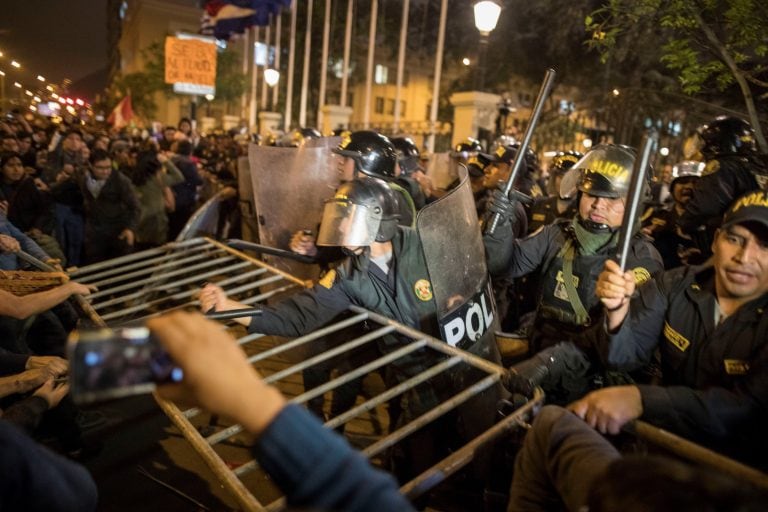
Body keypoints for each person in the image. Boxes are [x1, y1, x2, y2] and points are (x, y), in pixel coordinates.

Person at [201, 178, 447, 477]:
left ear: (376, 217)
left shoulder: (425, 243)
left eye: (348, 219)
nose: (341, 228)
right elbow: (297, 317)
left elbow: (482, 264)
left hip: (462, 366)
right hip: (417, 382)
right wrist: (230, 308)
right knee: (415, 468)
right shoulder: (346, 276)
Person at [149, 310, 413, 512]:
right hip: (327, 348)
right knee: (319, 378)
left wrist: (250, 399)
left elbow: (360, 499)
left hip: (357, 354)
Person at [589, 189, 768, 468]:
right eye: (735, 239)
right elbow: (622, 357)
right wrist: (616, 311)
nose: (745, 257)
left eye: (765, 246)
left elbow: (746, 408)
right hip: (664, 455)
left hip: (741, 475)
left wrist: (642, 399)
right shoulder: (673, 286)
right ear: (716, 240)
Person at [486, 144, 663, 402]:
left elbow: (624, 344)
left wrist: (552, 361)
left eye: (613, 198)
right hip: (535, 365)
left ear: (635, 205)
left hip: (590, 388)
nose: (598, 204)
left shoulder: (642, 259)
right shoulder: (557, 234)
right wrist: (499, 223)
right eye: (591, 193)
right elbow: (503, 265)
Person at [678, 116, 767, 255]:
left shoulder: (721, 166)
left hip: (732, 245)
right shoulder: (759, 167)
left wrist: (682, 224)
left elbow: (705, 206)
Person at [77, 149, 140, 263]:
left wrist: (130, 228)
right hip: (94, 232)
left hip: (117, 231)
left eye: (108, 167)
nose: (105, 172)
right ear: (91, 165)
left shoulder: (120, 180)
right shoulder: (84, 177)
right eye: (100, 168)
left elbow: (135, 206)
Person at [642, 160, 704, 268]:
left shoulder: (710, 220)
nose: (688, 186)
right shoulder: (656, 214)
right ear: (672, 187)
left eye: (695, 182)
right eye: (683, 181)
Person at [527, 151, 582, 233]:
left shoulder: (583, 213)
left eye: (571, 179)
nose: (564, 183)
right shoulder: (538, 206)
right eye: (560, 177)